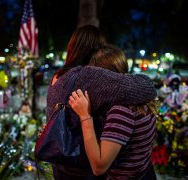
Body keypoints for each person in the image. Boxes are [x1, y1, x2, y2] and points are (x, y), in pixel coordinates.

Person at [47, 25, 157, 179]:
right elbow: (146, 87)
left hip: (58, 160)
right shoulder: (90, 76)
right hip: (81, 169)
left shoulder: (58, 75)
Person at [69, 45, 157, 179]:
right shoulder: (138, 96)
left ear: (103, 77)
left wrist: (84, 115)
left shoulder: (122, 110)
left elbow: (99, 167)